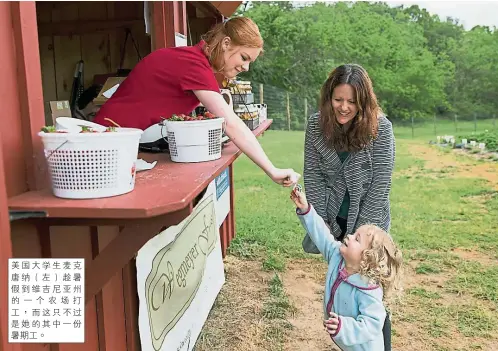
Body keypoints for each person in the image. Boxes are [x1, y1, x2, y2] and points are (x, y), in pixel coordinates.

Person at [93, 17, 298, 187]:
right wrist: (272, 170)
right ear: (226, 44)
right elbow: (230, 123)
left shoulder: (195, 61)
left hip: (118, 143)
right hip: (103, 144)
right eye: (244, 57)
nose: (246, 67)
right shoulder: (194, 65)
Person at [301, 63, 396, 349]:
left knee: (371, 292)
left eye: (352, 101)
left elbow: (380, 185)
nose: (344, 107)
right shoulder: (316, 126)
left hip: (368, 223)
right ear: (328, 97)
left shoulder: (381, 129)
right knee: (342, 286)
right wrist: (326, 227)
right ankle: (347, 340)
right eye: (338, 99)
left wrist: (360, 240)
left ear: (363, 102)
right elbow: (313, 175)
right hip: (333, 218)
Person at [290, 185, 402, 351]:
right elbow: (321, 235)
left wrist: (344, 327)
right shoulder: (337, 256)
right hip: (349, 345)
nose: (349, 236)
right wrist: (306, 209)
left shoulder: (368, 290)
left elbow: (372, 325)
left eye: (357, 239)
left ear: (366, 258)